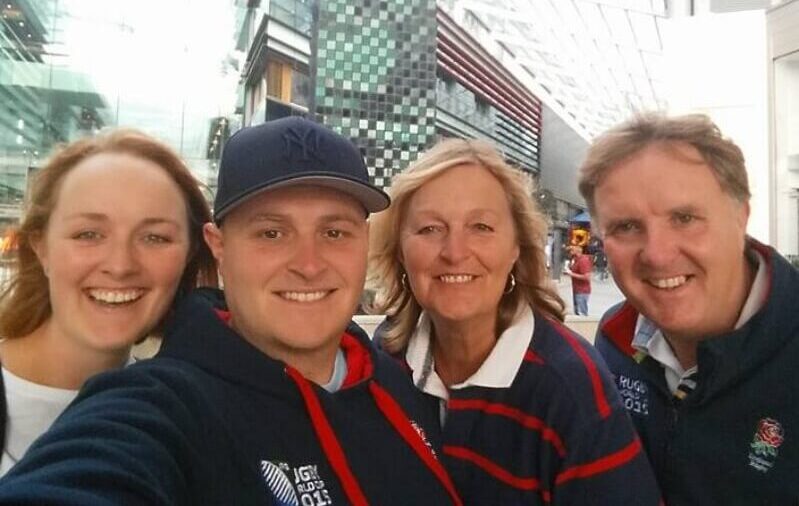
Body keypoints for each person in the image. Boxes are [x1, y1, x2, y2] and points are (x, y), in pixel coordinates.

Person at [0, 117, 461, 506]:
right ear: (217, 248)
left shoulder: (392, 377)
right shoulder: (162, 406)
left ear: (365, 243)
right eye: (271, 234)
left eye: (335, 232)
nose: (308, 264)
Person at [369, 138, 661, 504]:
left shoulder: (569, 388)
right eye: (430, 229)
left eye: (481, 227)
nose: (455, 252)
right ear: (398, 249)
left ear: (516, 248)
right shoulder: (385, 356)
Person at [579, 113, 799, 504]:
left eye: (684, 218)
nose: (658, 255)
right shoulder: (614, 343)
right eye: (626, 227)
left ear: (741, 216)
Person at [0, 129, 218, 476]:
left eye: (154, 237)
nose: (120, 266)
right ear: (41, 248)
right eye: (88, 234)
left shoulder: (188, 415)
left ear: (189, 255)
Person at [564, 244, 591, 315]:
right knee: (577, 311)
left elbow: (587, 277)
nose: (569, 252)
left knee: (581, 313)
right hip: (577, 289)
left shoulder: (583, 261)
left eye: (571, 250)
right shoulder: (576, 260)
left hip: (582, 291)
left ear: (577, 250)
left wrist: (571, 274)